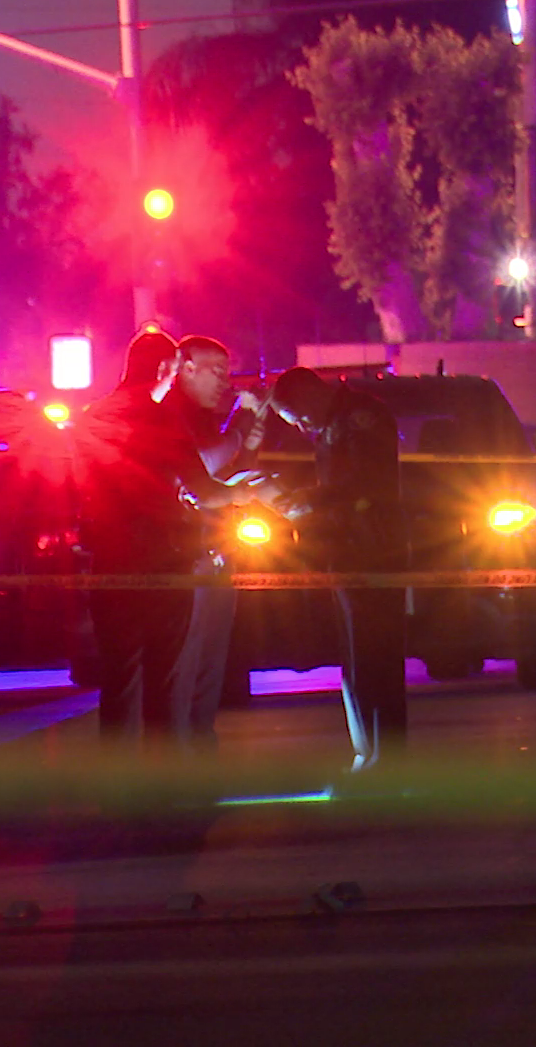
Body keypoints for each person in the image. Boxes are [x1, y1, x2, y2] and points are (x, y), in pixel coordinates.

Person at [74, 330, 255, 749]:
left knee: (118, 680)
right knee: (165, 681)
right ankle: (164, 791)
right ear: (163, 369)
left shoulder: (90, 417)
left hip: (108, 563)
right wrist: (244, 493)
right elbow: (203, 488)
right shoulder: (158, 419)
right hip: (162, 564)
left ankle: (117, 790)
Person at [264, 367, 408, 772]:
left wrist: (307, 501)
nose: (301, 426)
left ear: (309, 395)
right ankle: (370, 754)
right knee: (358, 657)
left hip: (375, 548)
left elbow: (360, 482)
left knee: (375, 656)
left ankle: (386, 758)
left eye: (296, 416)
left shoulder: (359, 417)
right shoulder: (338, 421)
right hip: (350, 547)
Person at [164, 334, 270, 755]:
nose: (225, 382)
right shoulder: (172, 415)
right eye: (217, 372)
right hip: (187, 556)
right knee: (187, 664)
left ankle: (200, 744)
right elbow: (202, 467)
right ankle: (181, 753)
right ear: (185, 367)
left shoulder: (206, 418)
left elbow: (226, 470)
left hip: (215, 550)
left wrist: (250, 443)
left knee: (210, 662)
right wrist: (239, 430)